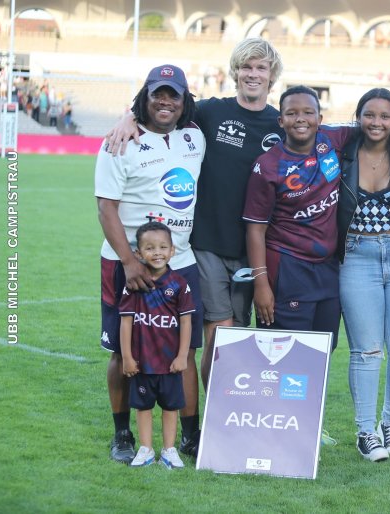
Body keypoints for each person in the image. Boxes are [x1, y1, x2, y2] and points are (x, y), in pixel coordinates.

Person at [105, 38, 285, 456]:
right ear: (235, 72)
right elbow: (161, 107)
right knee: (218, 337)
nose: (253, 74)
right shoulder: (210, 112)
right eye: (246, 67)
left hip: (256, 250)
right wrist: (127, 117)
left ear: (272, 75)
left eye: (261, 68)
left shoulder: (281, 123)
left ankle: (236, 418)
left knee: (242, 340)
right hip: (205, 246)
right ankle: (210, 424)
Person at [95, 63, 205, 464]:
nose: (165, 101)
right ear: (144, 97)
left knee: (185, 350)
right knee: (122, 349)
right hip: (126, 264)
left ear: (184, 101)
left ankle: (190, 437)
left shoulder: (195, 136)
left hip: (181, 262)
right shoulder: (120, 141)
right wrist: (130, 261)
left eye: (173, 95)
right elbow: (106, 208)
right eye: (158, 93)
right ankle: (122, 434)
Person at [337, 88, 390, 462]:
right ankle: (365, 431)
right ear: (358, 117)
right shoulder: (341, 151)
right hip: (357, 255)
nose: (376, 122)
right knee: (367, 349)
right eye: (369, 115)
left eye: (385, 116)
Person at [243, 85, 352, 347]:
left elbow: (379, 118)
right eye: (292, 113)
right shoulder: (268, 165)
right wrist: (261, 284)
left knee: (323, 349)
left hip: (328, 268)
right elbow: (255, 229)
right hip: (288, 268)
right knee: (284, 350)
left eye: (308, 112)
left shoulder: (332, 140)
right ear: (281, 121)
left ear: (320, 119)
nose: (300, 119)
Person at [120, 222, 195, 469]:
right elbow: (126, 323)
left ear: (172, 250)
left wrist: (182, 355)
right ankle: (146, 449)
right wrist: (127, 357)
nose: (157, 252)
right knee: (143, 407)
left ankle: (169, 450)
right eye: (150, 248)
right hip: (142, 362)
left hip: (169, 362)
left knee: (170, 406)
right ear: (139, 253)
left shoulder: (179, 284)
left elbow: (186, 322)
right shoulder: (134, 284)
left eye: (163, 247)